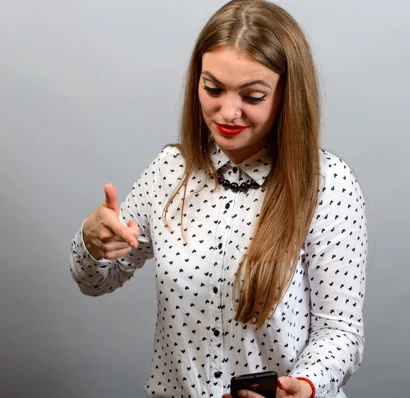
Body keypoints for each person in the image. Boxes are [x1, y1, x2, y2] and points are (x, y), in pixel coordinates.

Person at [69, 1, 368, 397]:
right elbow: (96, 283)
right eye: (213, 88)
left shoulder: (327, 184)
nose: (228, 111)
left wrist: (307, 384)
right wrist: (90, 244)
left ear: (287, 97)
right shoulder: (169, 172)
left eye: (253, 96)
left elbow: (341, 332)